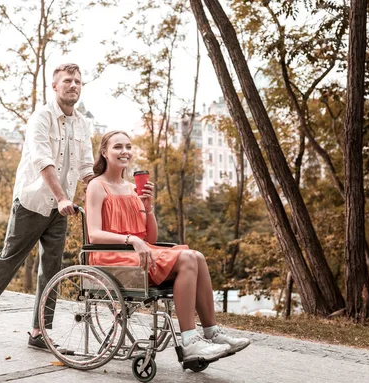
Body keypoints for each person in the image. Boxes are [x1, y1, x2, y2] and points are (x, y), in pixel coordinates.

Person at [0, 63, 94, 348]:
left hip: (60, 209)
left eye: (78, 81)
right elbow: (43, 162)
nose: (73, 85)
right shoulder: (40, 118)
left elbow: (86, 168)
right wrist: (62, 198)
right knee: (10, 260)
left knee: (52, 270)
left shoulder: (82, 123)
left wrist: (105, 194)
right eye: (67, 81)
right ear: (54, 86)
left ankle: (39, 331)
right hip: (33, 203)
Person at [85, 130, 250, 362]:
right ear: (104, 152)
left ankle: (211, 332)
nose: (125, 152)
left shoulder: (133, 188)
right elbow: (94, 234)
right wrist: (131, 240)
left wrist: (148, 207)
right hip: (112, 257)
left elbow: (150, 237)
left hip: (140, 252)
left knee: (197, 256)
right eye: (118, 147)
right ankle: (190, 341)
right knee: (187, 258)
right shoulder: (96, 186)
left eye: (128, 147)